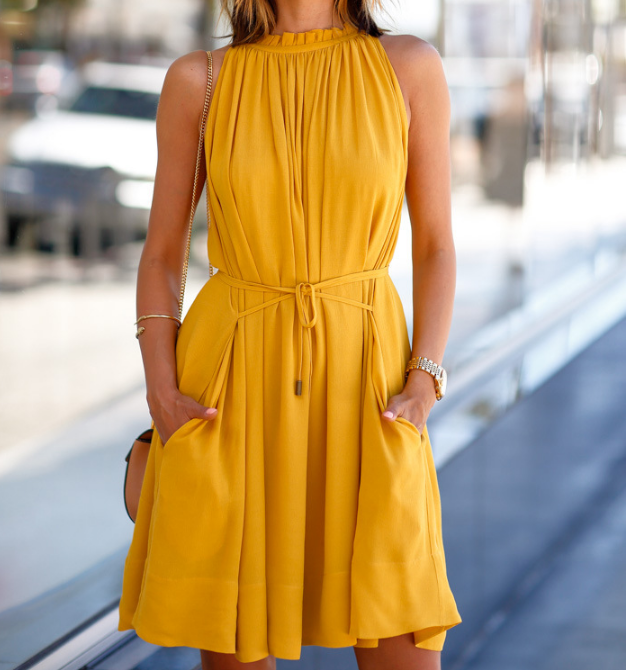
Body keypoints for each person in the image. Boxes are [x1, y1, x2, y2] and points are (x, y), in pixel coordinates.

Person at [117, 0, 462, 668]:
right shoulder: (202, 80)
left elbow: (437, 245)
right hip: (234, 381)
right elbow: (162, 254)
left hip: (370, 382)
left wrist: (425, 380)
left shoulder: (407, 67)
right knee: (237, 641)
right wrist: (161, 388)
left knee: (402, 629)